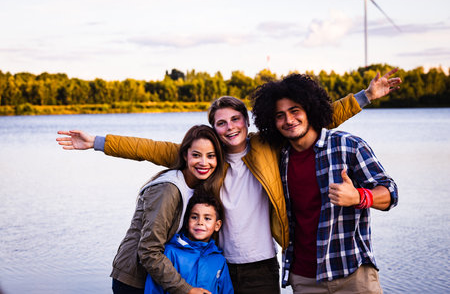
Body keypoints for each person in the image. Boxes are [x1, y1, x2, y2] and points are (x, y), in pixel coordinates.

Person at [56, 68, 401, 293]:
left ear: (247, 121)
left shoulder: (267, 145)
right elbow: (152, 149)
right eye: (221, 123)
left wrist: (366, 96)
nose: (231, 127)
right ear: (214, 129)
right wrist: (97, 142)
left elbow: (318, 118)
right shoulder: (208, 159)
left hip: (262, 265)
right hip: (216, 262)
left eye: (236, 119)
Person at [250, 73, 399, 293]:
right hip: (304, 279)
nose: (289, 120)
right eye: (280, 115)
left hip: (352, 274)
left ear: (310, 110)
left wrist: (359, 197)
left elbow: (391, 193)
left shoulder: (348, 146)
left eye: (295, 111)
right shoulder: (278, 157)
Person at [104, 125, 225, 294]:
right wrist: (186, 289)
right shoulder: (169, 190)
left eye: (210, 156)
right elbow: (149, 250)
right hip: (135, 281)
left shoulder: (196, 187)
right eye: (196, 155)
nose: (204, 162)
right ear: (185, 155)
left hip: (157, 279)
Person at [145, 187, 233, 294]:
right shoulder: (170, 252)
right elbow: (153, 289)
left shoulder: (219, 260)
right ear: (186, 223)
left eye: (207, 218)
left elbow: (226, 291)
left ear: (217, 225)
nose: (200, 222)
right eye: (194, 217)